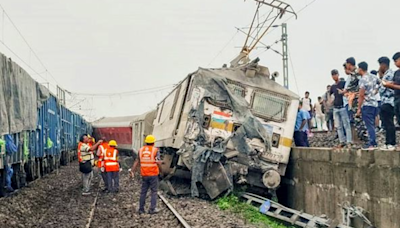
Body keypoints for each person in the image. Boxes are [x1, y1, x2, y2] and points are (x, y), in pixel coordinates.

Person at [130, 135, 162, 214]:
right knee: (154, 191)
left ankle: (141, 209)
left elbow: (137, 161)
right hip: (153, 174)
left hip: (144, 174)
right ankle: (152, 209)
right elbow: (158, 162)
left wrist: (132, 171)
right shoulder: (155, 150)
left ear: (146, 142)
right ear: (153, 143)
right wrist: (161, 170)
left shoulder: (141, 150)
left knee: (143, 192)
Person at [356, 62, 379, 150]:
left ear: (360, 69)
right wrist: (374, 92)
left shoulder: (362, 79)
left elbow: (361, 95)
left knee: (369, 125)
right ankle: (373, 141)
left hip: (367, 104)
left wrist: (358, 108)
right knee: (372, 123)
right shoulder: (373, 77)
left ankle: (372, 142)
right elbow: (381, 84)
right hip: (374, 103)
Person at [376, 57, 395, 150]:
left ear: (384, 64)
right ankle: (388, 142)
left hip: (388, 101)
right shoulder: (387, 74)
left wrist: (380, 78)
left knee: (389, 123)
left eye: (380, 65)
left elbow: (382, 89)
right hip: (386, 101)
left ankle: (391, 142)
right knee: (387, 123)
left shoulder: (389, 74)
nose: (380, 67)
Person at [330, 69, 352, 148]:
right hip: (335, 108)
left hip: (343, 106)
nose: (334, 76)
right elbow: (331, 95)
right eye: (333, 75)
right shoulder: (332, 87)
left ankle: (349, 141)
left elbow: (348, 91)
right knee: (338, 126)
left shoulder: (343, 83)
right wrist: (331, 101)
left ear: (338, 74)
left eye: (335, 74)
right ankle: (342, 141)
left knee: (346, 124)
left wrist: (343, 92)